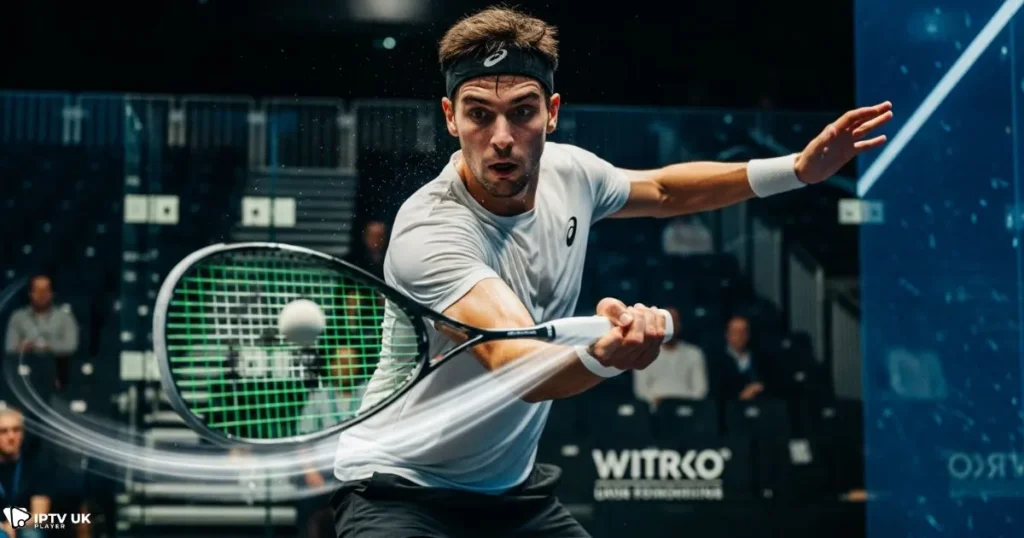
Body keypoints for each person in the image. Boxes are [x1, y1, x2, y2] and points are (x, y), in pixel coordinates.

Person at [330, 6, 892, 537]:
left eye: (522, 111)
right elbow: (519, 366)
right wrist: (605, 357)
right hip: (399, 491)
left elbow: (666, 189)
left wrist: (795, 170)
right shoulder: (431, 232)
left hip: (508, 495)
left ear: (551, 112)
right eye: (480, 113)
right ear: (451, 118)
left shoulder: (573, 174)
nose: (501, 136)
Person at [4, 275, 79, 392]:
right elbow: (10, 347)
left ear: (51, 293)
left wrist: (45, 346)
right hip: (25, 372)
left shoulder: (65, 317)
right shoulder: (18, 317)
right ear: (30, 293)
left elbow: (70, 346)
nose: (41, 294)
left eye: (45, 290)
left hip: (57, 372)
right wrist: (30, 347)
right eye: (37, 290)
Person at [632, 307, 709, 408]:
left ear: (679, 325)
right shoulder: (644, 351)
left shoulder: (694, 353)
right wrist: (656, 401)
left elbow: (700, 390)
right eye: (665, 322)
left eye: (673, 322)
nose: (669, 326)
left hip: (687, 409)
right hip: (654, 409)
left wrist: (683, 403)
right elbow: (641, 389)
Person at [0, 408, 51, 538]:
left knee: (32, 535)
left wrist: (13, 524)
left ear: (23, 434)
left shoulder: (36, 465)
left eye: (16, 430)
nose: (11, 436)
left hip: (25, 526)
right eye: (3, 431)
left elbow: (39, 515)